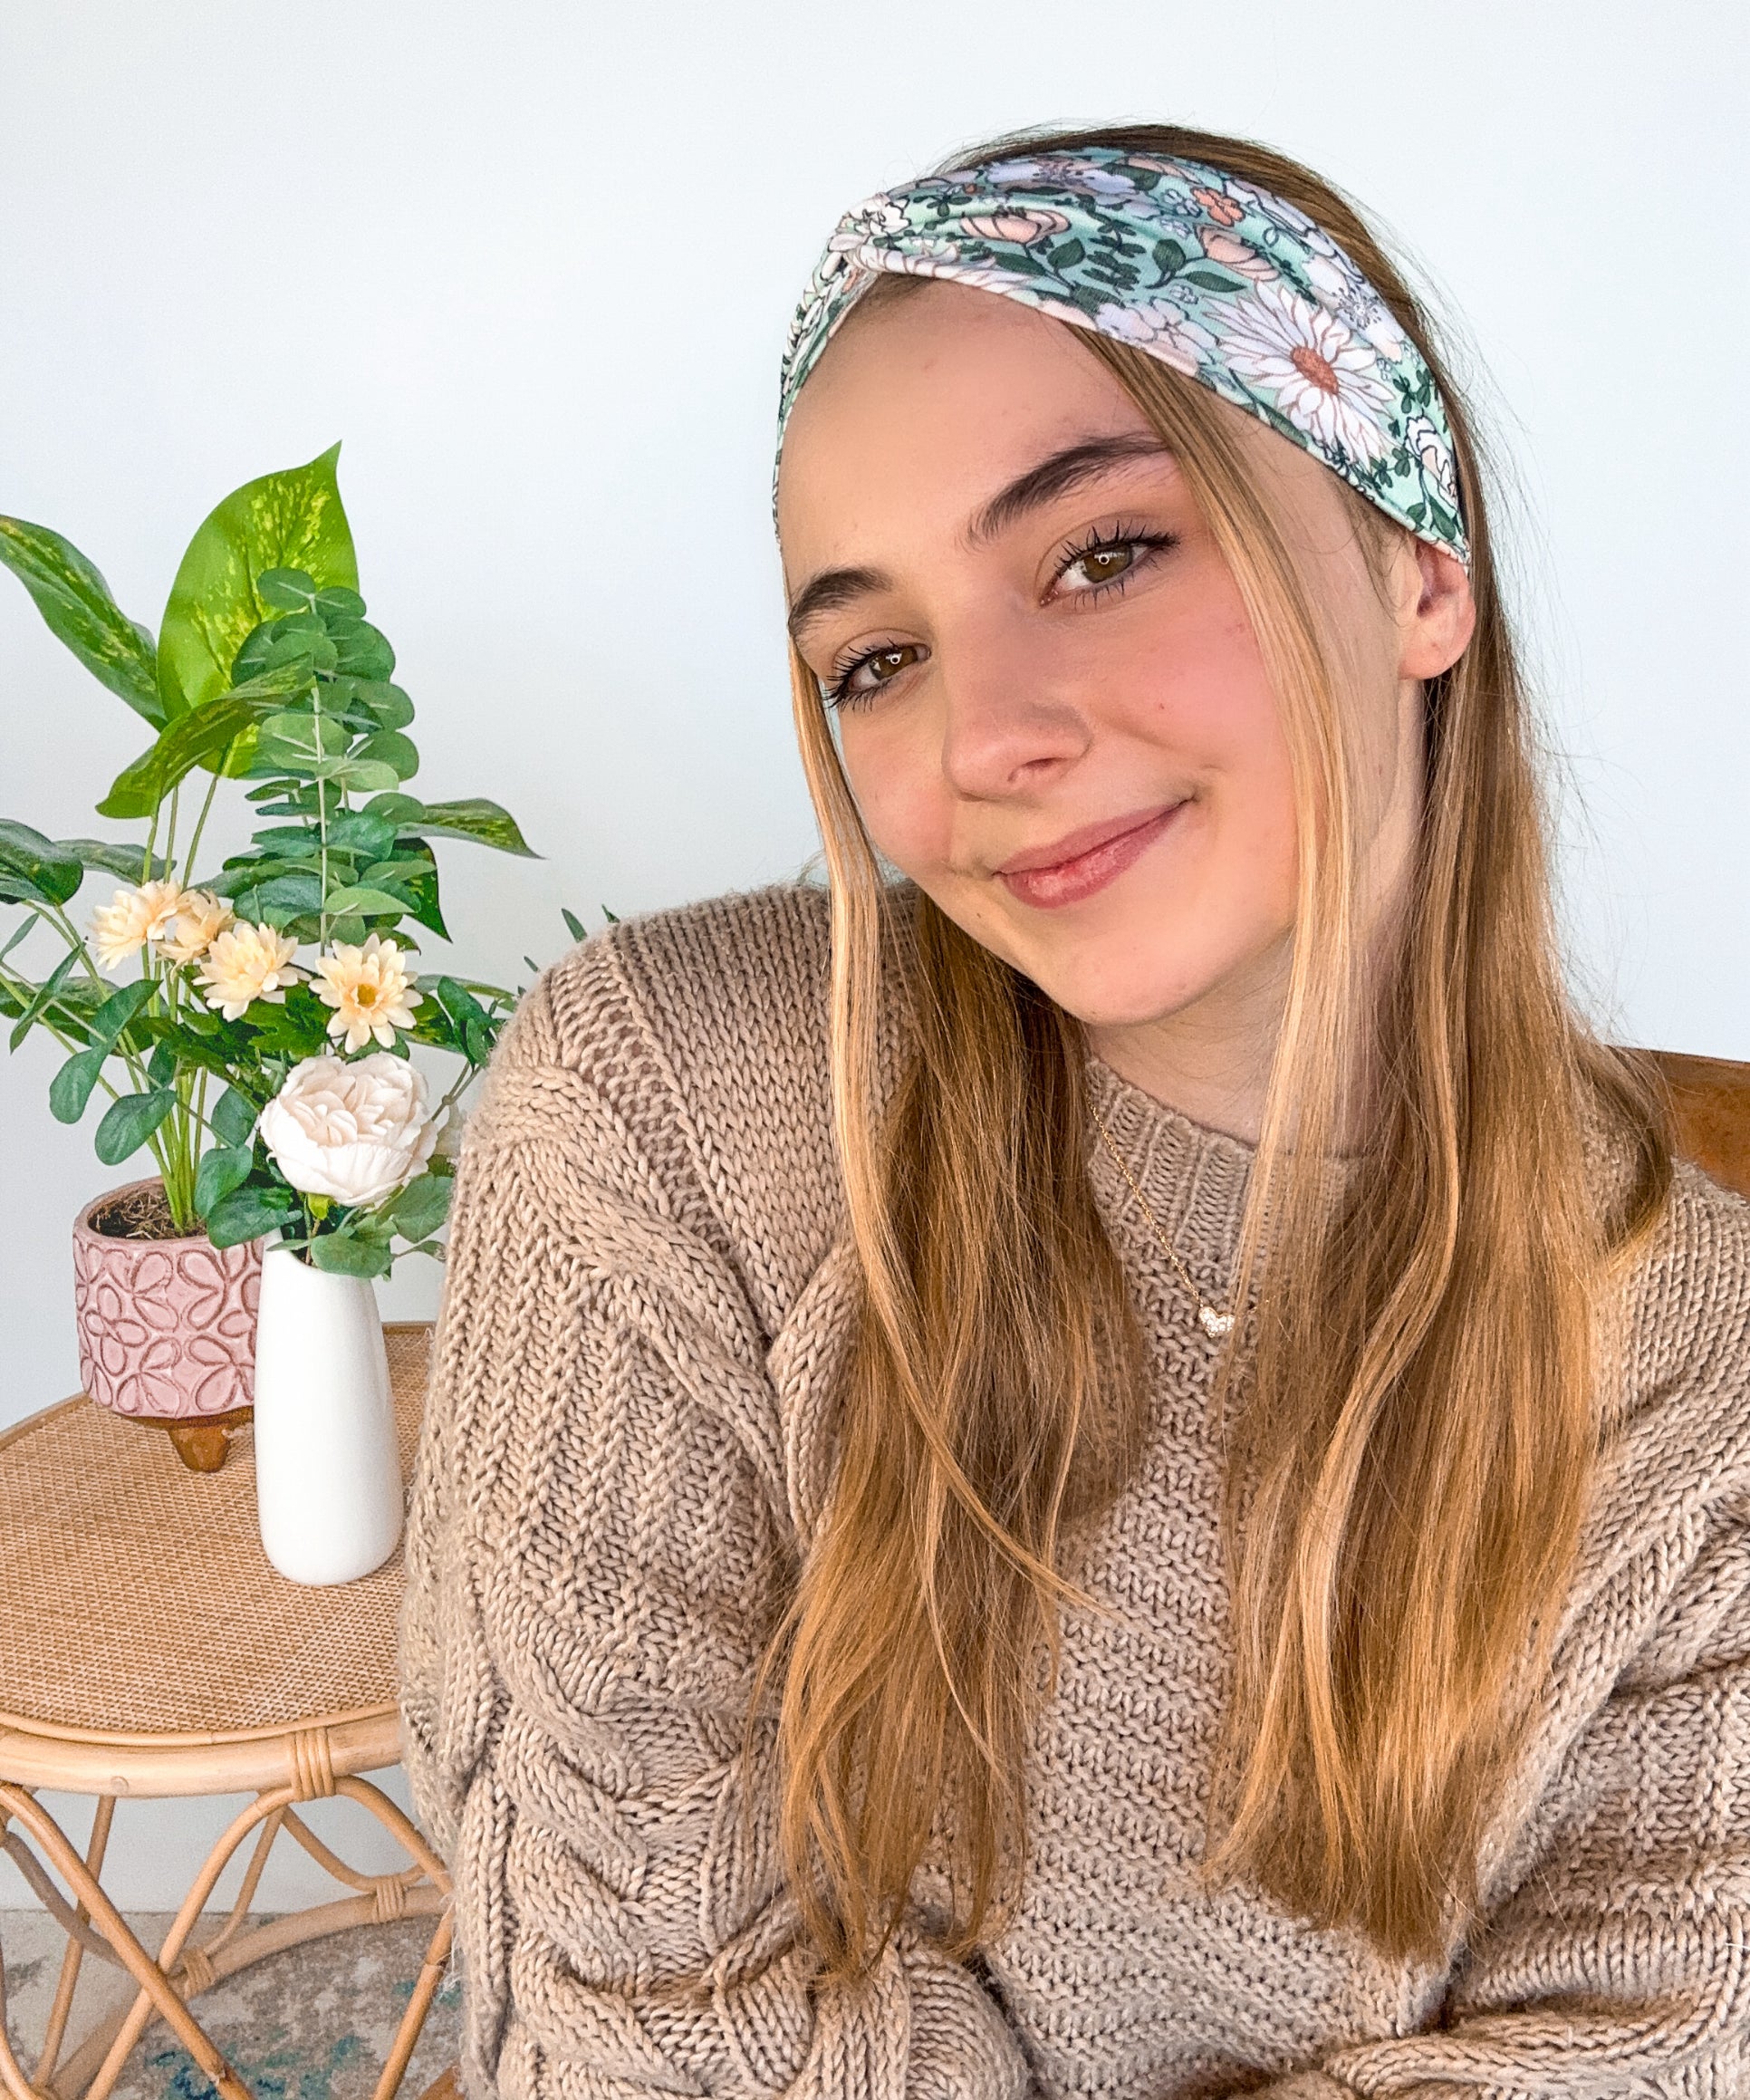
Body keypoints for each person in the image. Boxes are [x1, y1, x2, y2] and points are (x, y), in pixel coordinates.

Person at [399, 124, 1750, 2098]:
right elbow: (637, 2024)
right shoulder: (671, 1114)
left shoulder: (1707, 1379)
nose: (983, 739)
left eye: (1102, 553)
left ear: (1417, 564)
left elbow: (1663, 2044)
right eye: (875, 659)